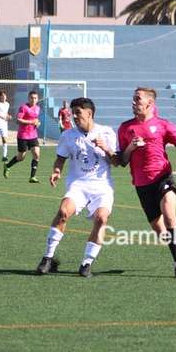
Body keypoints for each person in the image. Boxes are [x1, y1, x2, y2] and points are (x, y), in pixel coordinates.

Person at [117, 87, 176, 279]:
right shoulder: (125, 128)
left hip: (163, 177)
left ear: (150, 103)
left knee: (169, 216)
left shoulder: (163, 125)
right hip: (142, 184)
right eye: (133, 99)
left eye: (138, 99)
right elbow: (122, 161)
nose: (133, 102)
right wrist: (131, 147)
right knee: (163, 234)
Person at [36, 97, 118, 277]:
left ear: (90, 113)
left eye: (78, 113)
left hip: (102, 186)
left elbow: (117, 162)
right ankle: (48, 258)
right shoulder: (68, 135)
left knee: (101, 219)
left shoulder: (106, 132)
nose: (74, 116)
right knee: (63, 212)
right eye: (73, 113)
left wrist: (106, 148)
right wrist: (56, 171)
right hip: (78, 184)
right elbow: (60, 158)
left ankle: (86, 263)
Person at [3, 91, 41, 183]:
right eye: (31, 98)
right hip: (23, 135)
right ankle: (7, 166)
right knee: (21, 157)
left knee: (36, 154)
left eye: (35, 98)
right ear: (28, 98)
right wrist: (31, 122)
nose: (33, 100)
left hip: (33, 135)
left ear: (37, 99)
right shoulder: (23, 107)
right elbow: (18, 120)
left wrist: (38, 123)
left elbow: (36, 119)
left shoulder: (38, 108)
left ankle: (32, 177)